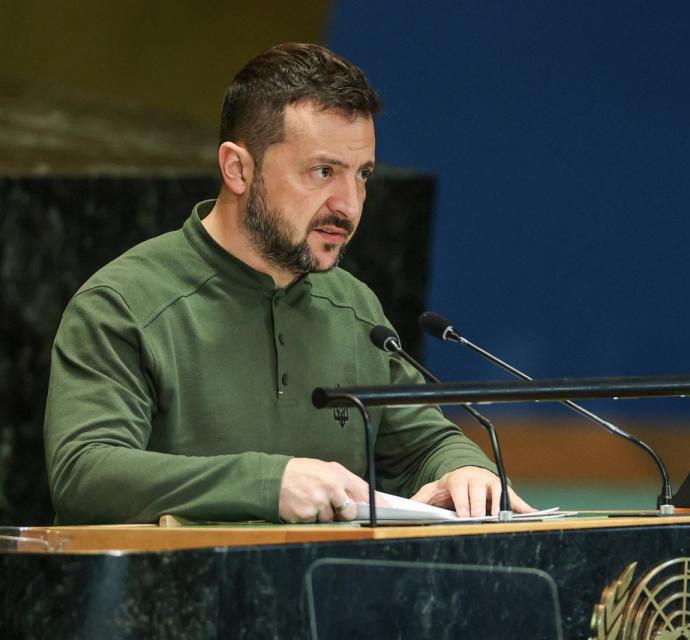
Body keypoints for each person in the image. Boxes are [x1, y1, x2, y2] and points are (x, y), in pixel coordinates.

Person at [43, 43, 531, 525]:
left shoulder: (354, 308)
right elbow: (85, 474)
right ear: (238, 168)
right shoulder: (124, 304)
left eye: (362, 175)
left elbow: (425, 443)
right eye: (323, 172)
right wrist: (267, 484)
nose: (350, 205)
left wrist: (463, 469)